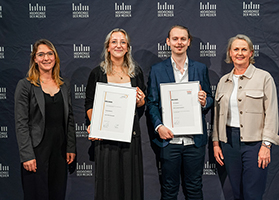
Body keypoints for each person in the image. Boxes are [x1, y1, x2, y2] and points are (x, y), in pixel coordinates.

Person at [212, 34, 279, 200]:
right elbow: (218, 116)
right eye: (236, 49)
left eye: (244, 49)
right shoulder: (224, 81)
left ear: (251, 53)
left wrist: (266, 145)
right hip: (229, 143)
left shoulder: (264, 77)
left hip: (255, 144)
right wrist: (216, 143)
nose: (240, 53)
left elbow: (272, 112)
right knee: (236, 192)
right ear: (230, 53)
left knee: (253, 193)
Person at [146, 25, 213, 200]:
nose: (179, 42)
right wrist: (159, 126)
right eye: (175, 39)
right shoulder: (157, 70)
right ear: (168, 42)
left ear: (189, 42)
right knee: (169, 190)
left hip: (194, 141)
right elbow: (151, 103)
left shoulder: (200, 68)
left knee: (194, 189)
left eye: (183, 39)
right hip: (170, 140)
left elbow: (210, 99)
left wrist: (205, 100)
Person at [85, 28, 146, 200]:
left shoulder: (136, 73)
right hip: (105, 140)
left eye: (123, 42)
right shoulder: (97, 73)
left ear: (127, 48)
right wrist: (96, 125)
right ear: (108, 47)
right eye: (114, 42)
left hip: (130, 138)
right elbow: (89, 104)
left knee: (130, 186)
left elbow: (141, 106)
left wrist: (141, 101)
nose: (118, 45)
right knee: (108, 186)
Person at [14, 39, 76, 200]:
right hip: (37, 150)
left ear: (55, 57)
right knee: (37, 195)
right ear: (34, 59)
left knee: (57, 194)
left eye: (50, 53)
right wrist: (27, 155)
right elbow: (21, 123)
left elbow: (69, 118)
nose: (46, 58)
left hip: (60, 151)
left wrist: (70, 147)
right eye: (41, 54)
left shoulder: (64, 85)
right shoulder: (25, 85)